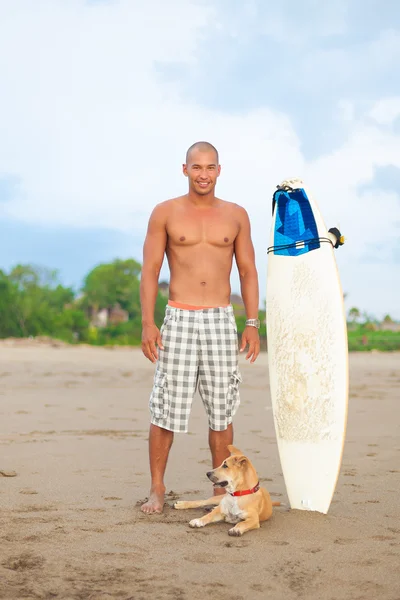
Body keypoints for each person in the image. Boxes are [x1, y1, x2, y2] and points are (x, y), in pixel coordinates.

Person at [140, 141, 260, 514]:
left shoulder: (236, 215)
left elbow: (247, 271)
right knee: (166, 409)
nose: (203, 174)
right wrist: (147, 321)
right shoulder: (165, 212)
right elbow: (150, 270)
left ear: (219, 170)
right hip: (178, 316)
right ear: (185, 169)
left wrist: (252, 322)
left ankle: (222, 493)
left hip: (221, 319)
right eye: (197, 167)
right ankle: (157, 489)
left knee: (222, 411)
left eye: (210, 167)